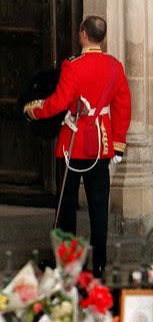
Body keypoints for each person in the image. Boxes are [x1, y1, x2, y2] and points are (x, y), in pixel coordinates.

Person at [23, 16, 131, 277]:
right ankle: (100, 264)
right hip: (100, 143)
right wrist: (118, 143)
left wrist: (34, 110)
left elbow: (59, 103)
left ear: (83, 34)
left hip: (73, 142)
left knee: (66, 206)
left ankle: (68, 264)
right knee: (99, 206)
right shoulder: (114, 65)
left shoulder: (73, 66)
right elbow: (123, 106)